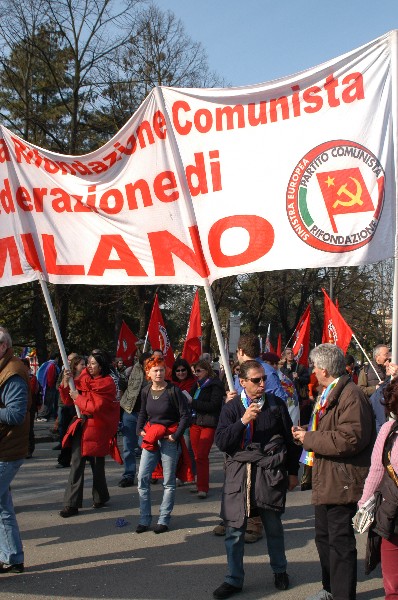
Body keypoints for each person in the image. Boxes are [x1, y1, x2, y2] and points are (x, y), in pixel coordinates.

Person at [292, 343, 375, 600]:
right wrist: (309, 431)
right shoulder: (330, 391)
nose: (313, 372)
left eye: (315, 368)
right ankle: (329, 589)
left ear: (325, 369)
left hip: (342, 479)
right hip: (327, 477)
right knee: (324, 539)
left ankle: (342, 595)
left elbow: (350, 439)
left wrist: (310, 438)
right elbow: (330, 428)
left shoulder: (351, 395)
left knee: (339, 544)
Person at [213, 359, 299, 599]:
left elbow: (290, 441)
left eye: (263, 379)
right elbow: (221, 442)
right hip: (239, 473)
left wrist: (293, 472)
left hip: (268, 473)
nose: (262, 384)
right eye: (256, 380)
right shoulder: (232, 408)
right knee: (235, 529)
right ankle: (234, 579)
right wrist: (243, 422)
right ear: (243, 382)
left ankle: (280, 570)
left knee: (273, 525)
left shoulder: (276, 405)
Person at [59, 349, 120, 517]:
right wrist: (66, 382)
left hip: (98, 428)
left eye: (93, 363)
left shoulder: (107, 383)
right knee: (76, 464)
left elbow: (96, 406)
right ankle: (71, 504)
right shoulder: (82, 380)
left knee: (97, 465)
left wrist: (77, 397)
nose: (89, 366)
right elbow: (67, 400)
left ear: (101, 366)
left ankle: (100, 496)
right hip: (82, 425)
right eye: (88, 363)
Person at [136, 356, 190, 533]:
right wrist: (139, 430)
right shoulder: (145, 391)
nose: (159, 373)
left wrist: (175, 436)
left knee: (168, 482)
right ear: (148, 373)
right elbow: (143, 411)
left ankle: (163, 520)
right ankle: (144, 520)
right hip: (151, 437)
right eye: (155, 370)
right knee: (142, 478)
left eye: (161, 369)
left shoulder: (173, 390)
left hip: (168, 440)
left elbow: (184, 415)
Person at [359, 378, 398, 599]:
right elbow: (376, 471)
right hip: (392, 515)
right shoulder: (388, 430)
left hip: (391, 511)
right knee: (392, 585)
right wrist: (364, 505)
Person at [0, 327, 30, 573]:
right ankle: (13, 557)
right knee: (3, 506)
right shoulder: (5, 368)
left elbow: (16, 414)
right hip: (3, 447)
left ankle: (12, 556)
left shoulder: (13, 372)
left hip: (7, 451)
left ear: (2, 346)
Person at [188, 359, 225, 498]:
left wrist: (193, 403)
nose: (196, 374)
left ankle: (203, 487)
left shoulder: (215, 385)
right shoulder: (197, 385)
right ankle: (199, 483)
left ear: (207, 370)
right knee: (197, 456)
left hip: (208, 424)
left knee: (202, 455)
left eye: (198, 371)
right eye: (194, 371)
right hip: (195, 422)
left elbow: (213, 405)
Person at [117, 352, 151, 487]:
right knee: (128, 446)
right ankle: (129, 474)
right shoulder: (130, 371)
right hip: (130, 412)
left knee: (146, 446)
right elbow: (122, 387)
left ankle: (147, 474)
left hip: (147, 415)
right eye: (147, 361)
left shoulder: (155, 372)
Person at [56, 355, 86, 468]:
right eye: (82, 364)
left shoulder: (87, 378)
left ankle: (84, 456)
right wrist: (66, 379)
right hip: (70, 410)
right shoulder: (70, 378)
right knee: (67, 436)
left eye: (85, 364)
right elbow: (65, 398)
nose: (84, 366)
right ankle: (64, 459)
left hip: (83, 410)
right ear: (75, 366)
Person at [280, 347, 311, 424]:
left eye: (292, 353)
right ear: (285, 356)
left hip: (298, 396)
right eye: (288, 353)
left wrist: (298, 377)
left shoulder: (300, 367)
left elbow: (307, 380)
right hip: (286, 397)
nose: (290, 355)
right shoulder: (281, 368)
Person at [20, 357, 40, 459]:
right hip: (20, 405)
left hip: (30, 406)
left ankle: (29, 449)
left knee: (29, 428)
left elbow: (31, 391)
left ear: (27, 367)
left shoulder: (32, 377)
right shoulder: (17, 376)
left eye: (24, 366)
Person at [36, 352, 60, 421]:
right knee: (48, 401)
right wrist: (52, 385)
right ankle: (42, 416)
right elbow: (50, 377)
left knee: (47, 401)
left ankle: (47, 415)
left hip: (45, 385)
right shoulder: (52, 365)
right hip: (50, 386)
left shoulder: (46, 364)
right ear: (56, 358)